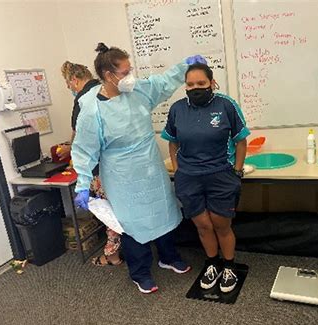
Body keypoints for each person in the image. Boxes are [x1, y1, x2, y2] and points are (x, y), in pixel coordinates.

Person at [72, 42, 206, 293]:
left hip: (150, 167)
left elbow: (163, 83)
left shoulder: (138, 91)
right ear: (108, 76)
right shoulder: (93, 111)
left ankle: (168, 257)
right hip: (122, 175)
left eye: (130, 69)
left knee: (163, 212)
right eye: (124, 72)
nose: (130, 76)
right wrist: (82, 183)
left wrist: (185, 66)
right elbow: (84, 149)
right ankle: (140, 272)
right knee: (132, 224)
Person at [161, 63, 250, 293]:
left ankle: (228, 266)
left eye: (201, 83)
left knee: (221, 225)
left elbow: (241, 140)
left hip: (221, 175)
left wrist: (237, 171)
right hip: (189, 178)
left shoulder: (226, 105)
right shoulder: (177, 109)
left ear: (212, 83)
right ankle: (212, 264)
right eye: (190, 84)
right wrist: (179, 169)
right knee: (202, 225)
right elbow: (172, 142)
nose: (195, 88)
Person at [60, 61, 122, 267]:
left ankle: (112, 255)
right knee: (122, 209)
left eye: (69, 85)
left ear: (74, 80)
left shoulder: (83, 100)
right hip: (122, 163)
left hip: (101, 169)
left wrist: (70, 150)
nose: (70, 89)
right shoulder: (109, 89)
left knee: (108, 212)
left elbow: (81, 138)